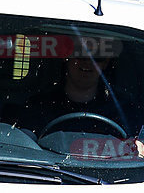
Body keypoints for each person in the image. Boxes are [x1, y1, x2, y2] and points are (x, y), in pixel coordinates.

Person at [9, 52, 137, 138]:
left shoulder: (123, 111)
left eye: (97, 57)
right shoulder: (38, 106)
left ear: (105, 63)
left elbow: (136, 153)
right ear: (67, 58)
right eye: (80, 54)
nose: (87, 62)